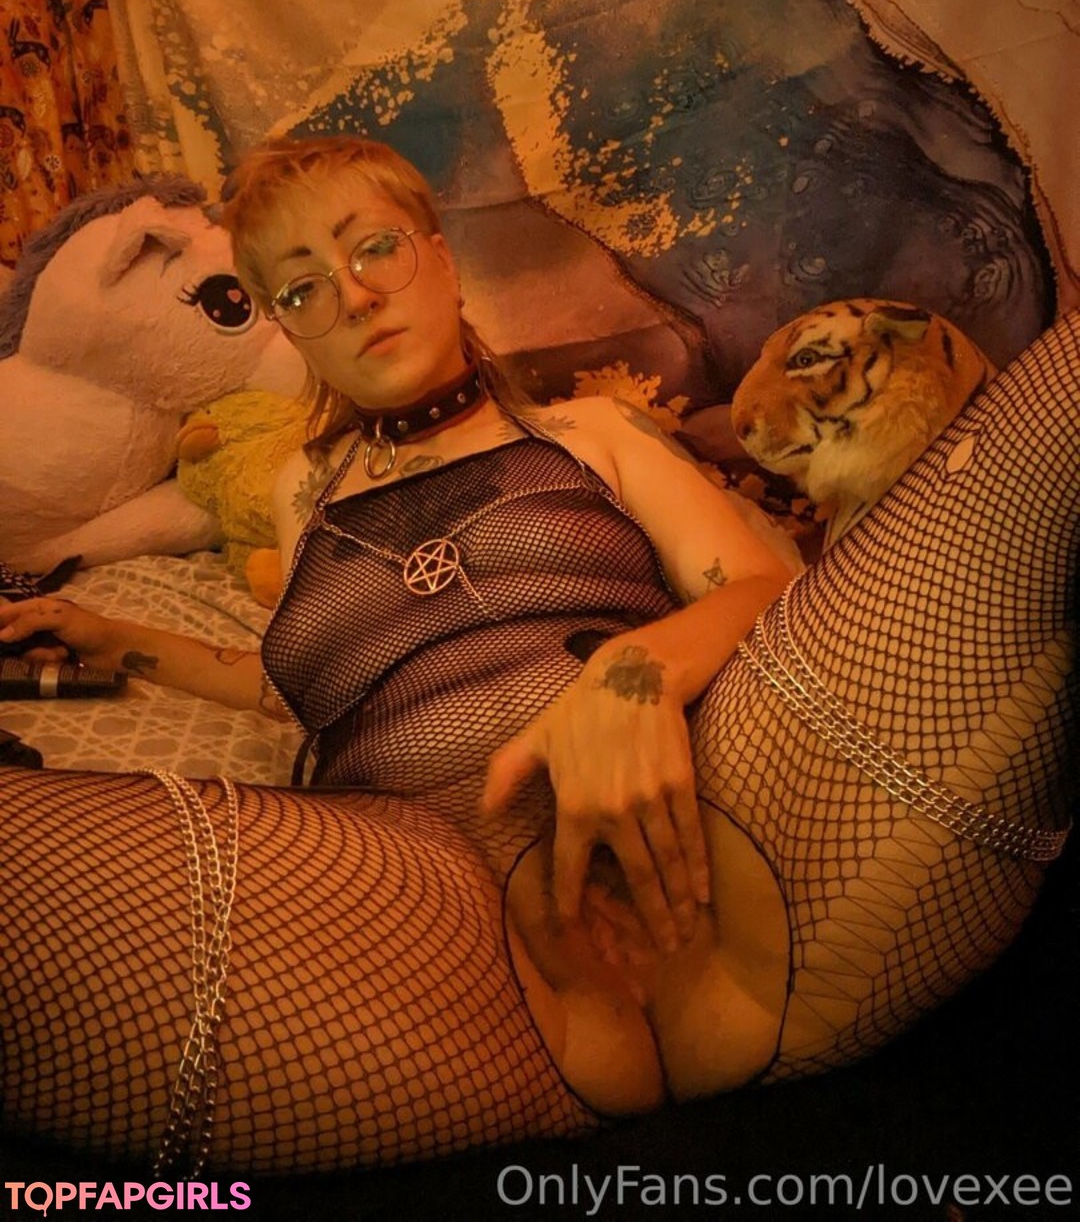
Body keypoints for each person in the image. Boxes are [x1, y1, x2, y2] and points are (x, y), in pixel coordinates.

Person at [0, 136, 1075, 1180]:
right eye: (303, 287)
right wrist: (125, 641)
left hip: (751, 854)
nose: (355, 295)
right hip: (447, 938)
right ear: (289, 330)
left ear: (440, 256)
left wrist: (630, 675)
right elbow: (305, 689)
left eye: (373, 248)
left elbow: (768, 589)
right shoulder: (301, 493)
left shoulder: (593, 430)